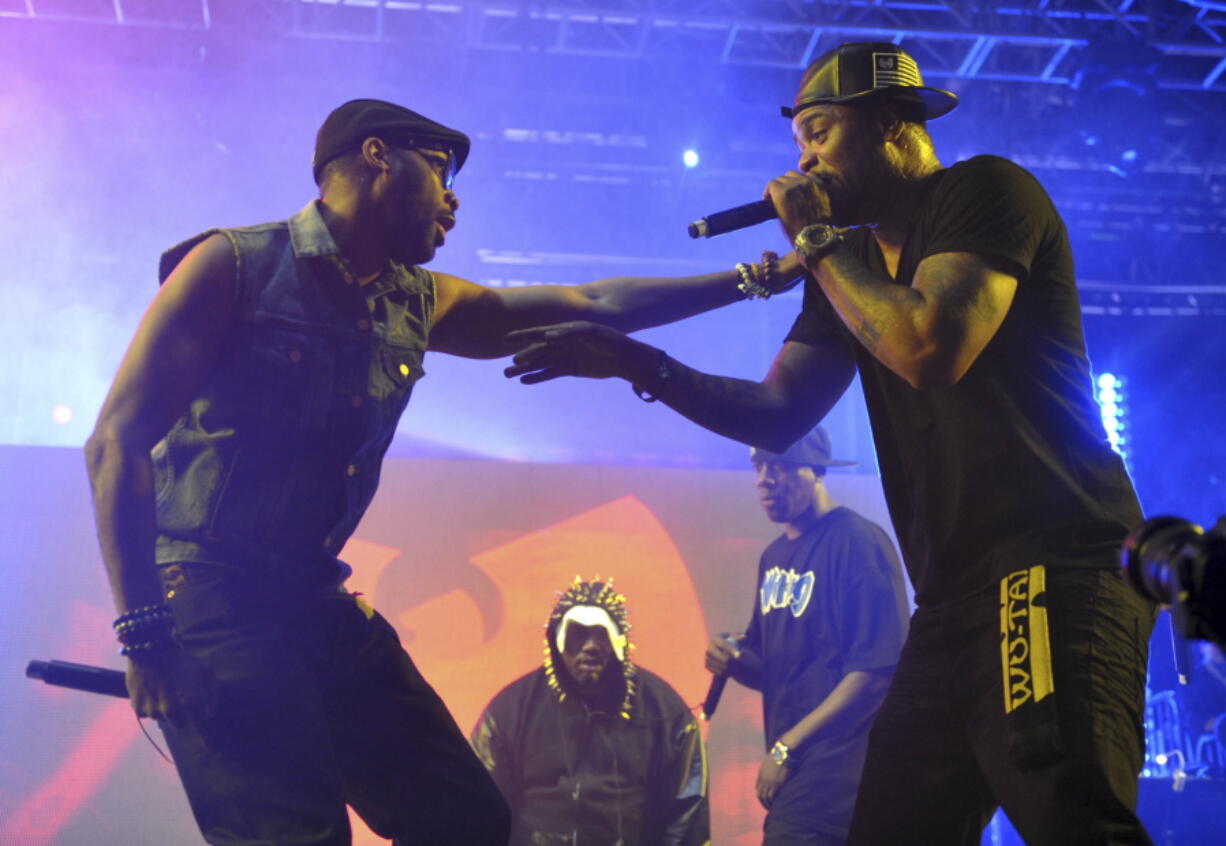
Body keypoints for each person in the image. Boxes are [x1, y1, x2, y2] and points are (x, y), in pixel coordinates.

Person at [84, 98, 797, 845]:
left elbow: (594, 303)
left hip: (312, 599)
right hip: (211, 596)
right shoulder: (235, 264)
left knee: (466, 817)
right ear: (375, 156)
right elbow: (114, 444)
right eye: (441, 167)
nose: (454, 197)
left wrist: (756, 277)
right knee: (299, 832)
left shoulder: (415, 301)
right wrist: (145, 637)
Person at [505, 42, 1157, 845]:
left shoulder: (985, 192)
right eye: (798, 143)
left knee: (1072, 816)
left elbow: (928, 346)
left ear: (890, 125)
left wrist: (816, 241)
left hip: (1049, 563)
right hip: (951, 597)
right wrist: (637, 364)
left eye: (818, 132)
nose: (804, 159)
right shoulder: (846, 266)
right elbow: (780, 412)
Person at [705, 426, 908, 845]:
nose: (764, 478)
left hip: (841, 772)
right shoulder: (773, 557)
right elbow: (777, 671)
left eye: (778, 466)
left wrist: (786, 747)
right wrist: (735, 660)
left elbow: (873, 671)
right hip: (798, 773)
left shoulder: (856, 542)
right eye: (759, 466)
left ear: (814, 470)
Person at [471, 578, 709, 845]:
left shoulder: (663, 711)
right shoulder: (511, 710)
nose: (591, 646)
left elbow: (687, 813)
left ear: (619, 642)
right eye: (578, 634)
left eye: (601, 634)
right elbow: (477, 804)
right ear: (557, 641)